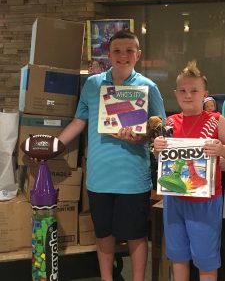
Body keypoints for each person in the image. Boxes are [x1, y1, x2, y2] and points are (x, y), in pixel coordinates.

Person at [58, 30, 166, 281]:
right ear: (109, 54)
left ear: (138, 55)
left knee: (136, 234)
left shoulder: (148, 87)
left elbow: (162, 130)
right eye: (117, 50)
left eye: (129, 50)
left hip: (133, 178)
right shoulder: (93, 85)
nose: (123, 55)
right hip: (99, 177)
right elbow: (78, 121)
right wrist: (54, 145)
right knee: (104, 233)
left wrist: (142, 137)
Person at [153, 60, 225, 281]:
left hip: (206, 201)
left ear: (205, 93)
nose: (188, 95)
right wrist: (156, 150)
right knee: (178, 257)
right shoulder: (170, 123)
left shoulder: (217, 120)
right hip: (175, 201)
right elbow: (163, 161)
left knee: (206, 260)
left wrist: (221, 150)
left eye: (194, 90)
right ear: (175, 93)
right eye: (183, 90)